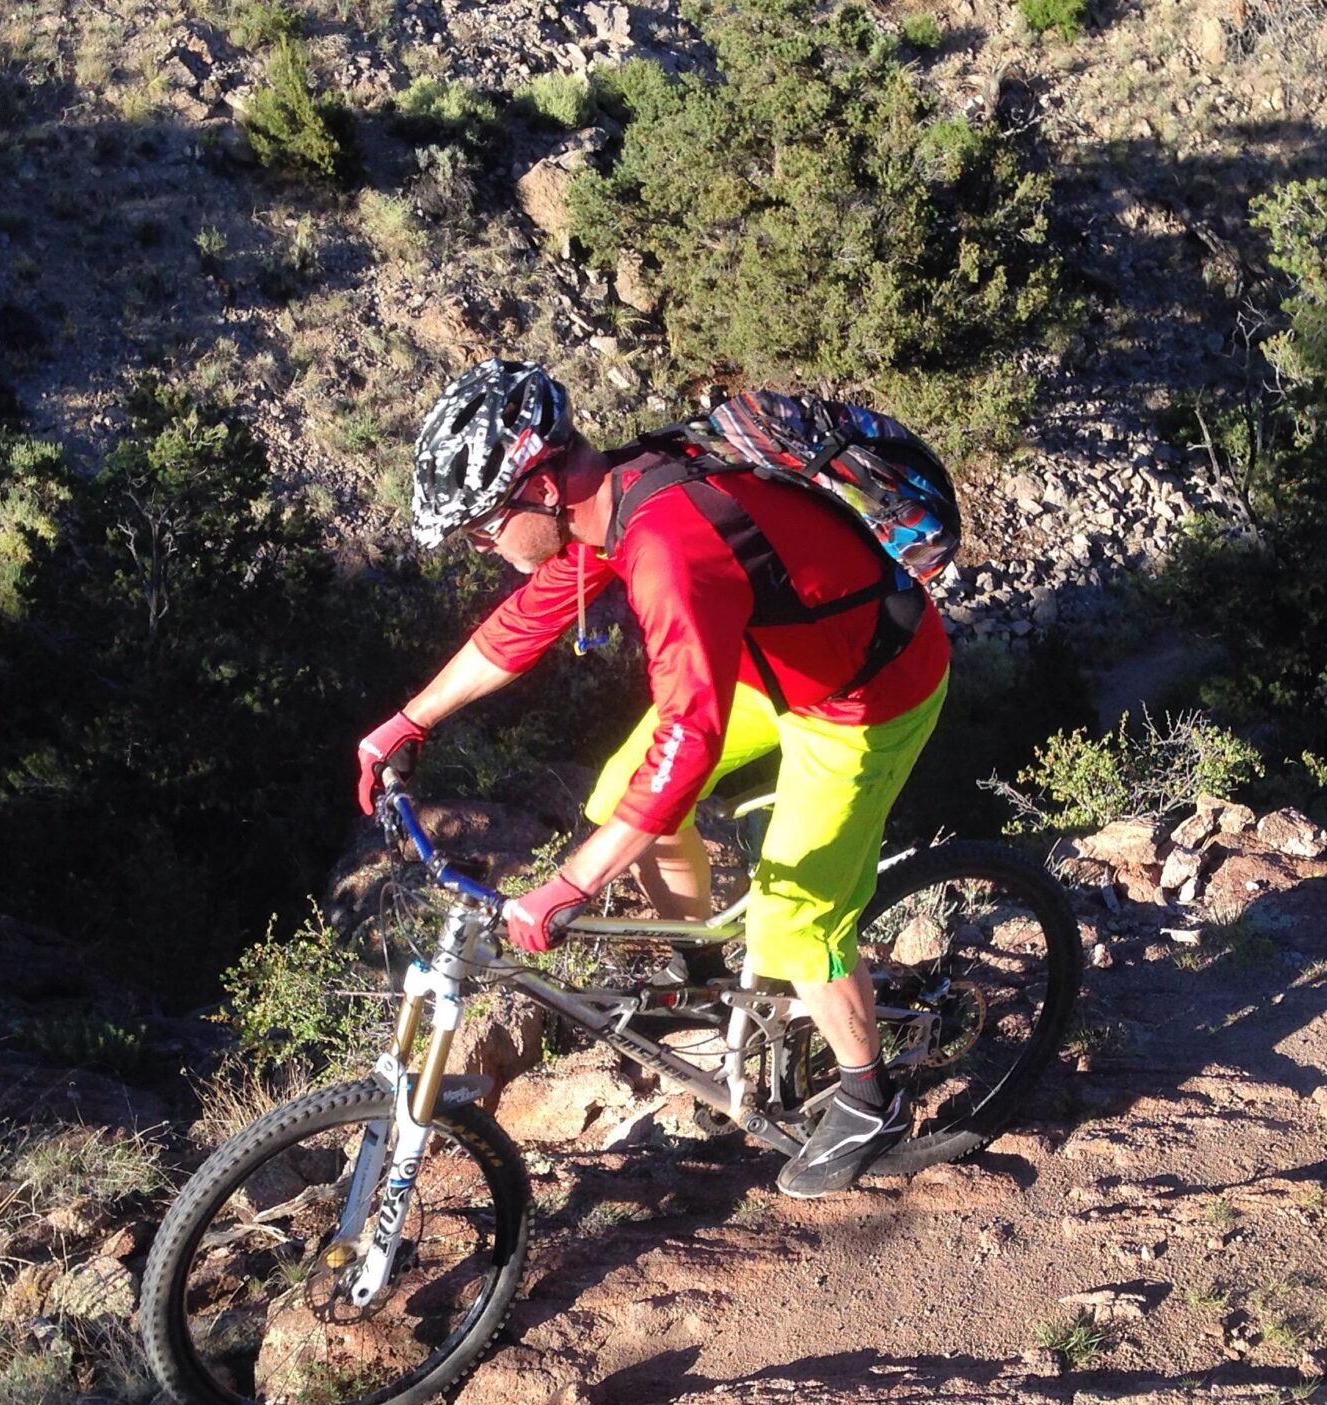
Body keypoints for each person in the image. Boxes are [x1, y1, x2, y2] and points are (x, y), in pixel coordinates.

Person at [356, 359, 951, 1198]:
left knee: (793, 919)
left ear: (540, 486)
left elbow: (689, 742)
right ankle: (707, 989)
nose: (479, 545)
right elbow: (520, 629)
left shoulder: (667, 543)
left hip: (865, 693)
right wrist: (405, 722)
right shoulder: (613, 502)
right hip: (772, 669)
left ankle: (869, 1099)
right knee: (615, 802)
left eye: (481, 525)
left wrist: (571, 884)